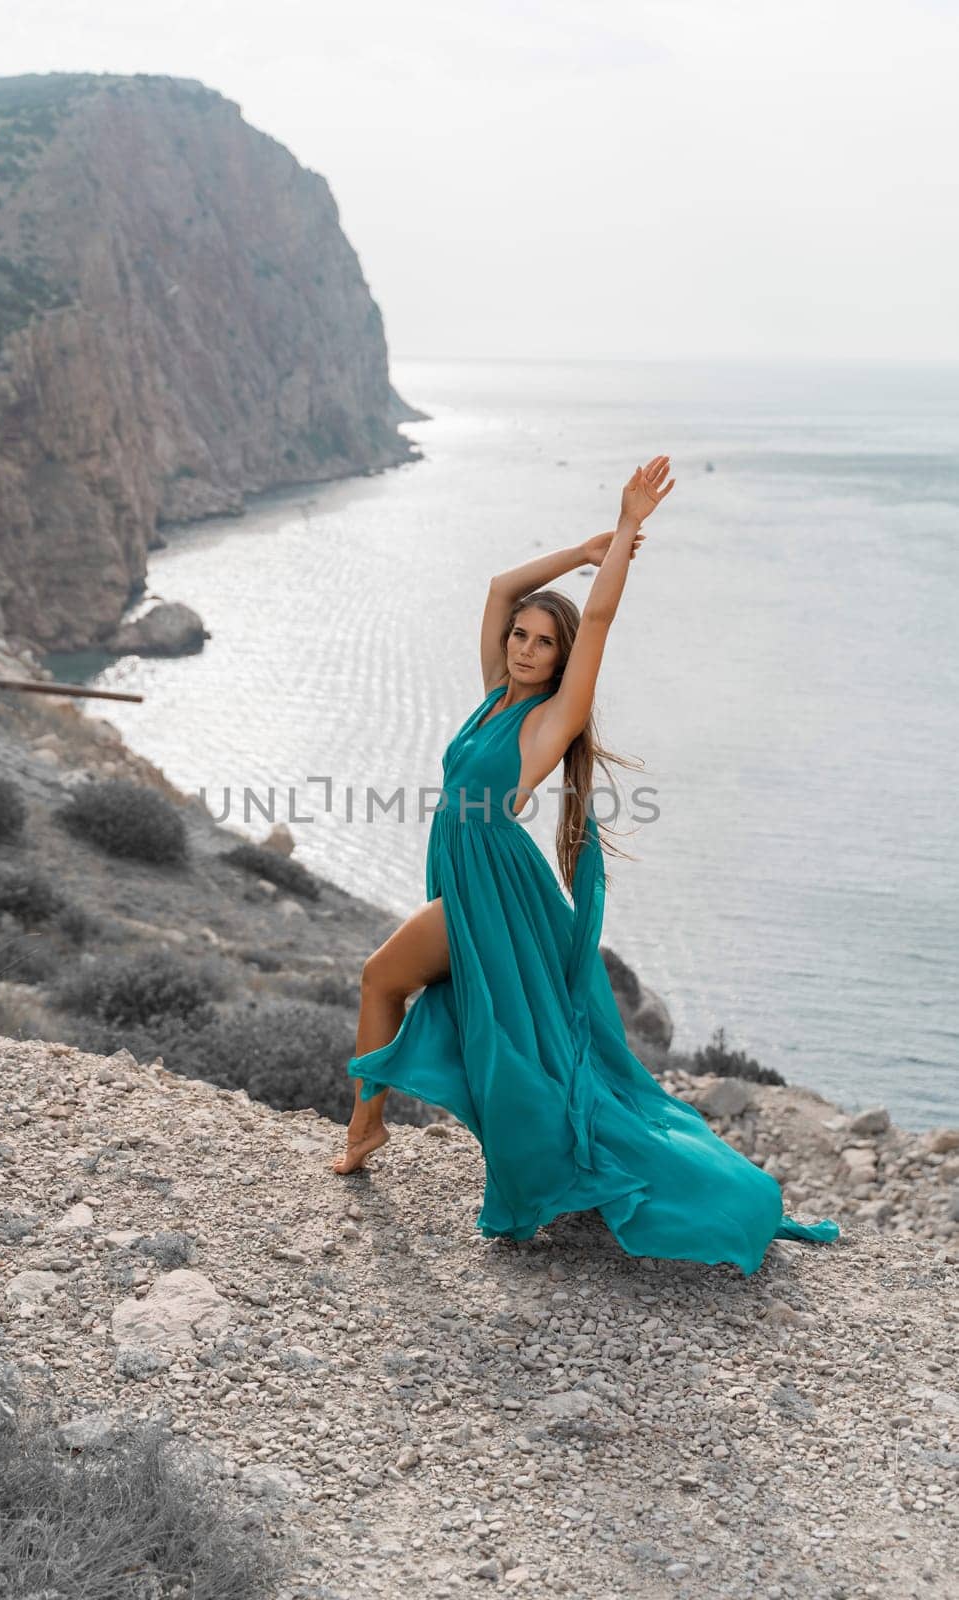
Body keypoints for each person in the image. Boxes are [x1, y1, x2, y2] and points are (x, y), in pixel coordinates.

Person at [332, 456, 840, 1277]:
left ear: (561, 659)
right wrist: (578, 548)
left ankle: (365, 1128)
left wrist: (627, 530)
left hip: (495, 889)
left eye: (544, 643)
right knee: (493, 1039)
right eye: (521, 638)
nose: (528, 648)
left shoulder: (547, 718)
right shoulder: (494, 693)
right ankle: (377, 1127)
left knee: (385, 979)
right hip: (464, 874)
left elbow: (596, 623)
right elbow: (500, 587)